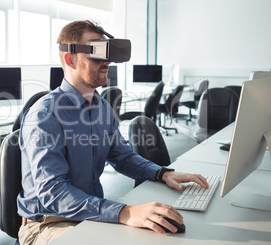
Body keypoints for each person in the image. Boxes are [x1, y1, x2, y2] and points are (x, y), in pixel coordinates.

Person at [17, 20, 208, 244]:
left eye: (107, 52)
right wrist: (125, 213)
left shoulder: (102, 107)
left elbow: (122, 156)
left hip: (88, 214)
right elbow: (53, 193)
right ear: (70, 59)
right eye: (96, 52)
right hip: (49, 223)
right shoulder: (44, 116)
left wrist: (163, 174)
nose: (106, 61)